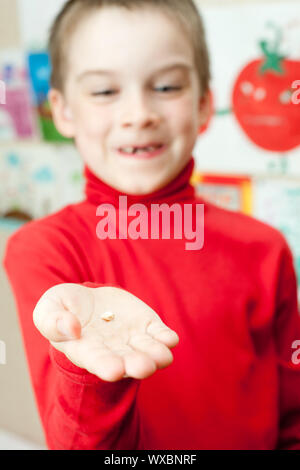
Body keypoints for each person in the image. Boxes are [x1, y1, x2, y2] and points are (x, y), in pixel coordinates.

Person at [4, 0, 300, 450]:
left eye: (166, 86)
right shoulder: (44, 250)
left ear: (204, 105)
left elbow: (292, 420)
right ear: (62, 111)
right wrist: (91, 372)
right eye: (104, 92)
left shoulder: (265, 248)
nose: (139, 113)